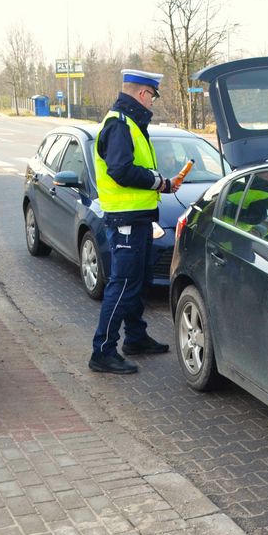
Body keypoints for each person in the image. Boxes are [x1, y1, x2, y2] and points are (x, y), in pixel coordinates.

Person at [89, 69, 177, 375]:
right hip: (125, 219)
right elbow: (121, 171)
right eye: (152, 96)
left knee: (138, 280)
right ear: (143, 94)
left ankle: (136, 338)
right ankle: (102, 351)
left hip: (137, 217)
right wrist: (159, 183)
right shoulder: (118, 124)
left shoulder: (131, 124)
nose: (152, 102)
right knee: (123, 284)